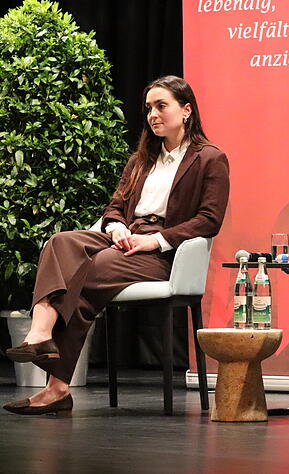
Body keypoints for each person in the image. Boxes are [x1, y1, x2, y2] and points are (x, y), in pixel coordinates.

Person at [3, 76, 230, 415]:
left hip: (163, 252)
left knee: (87, 275)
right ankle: (40, 334)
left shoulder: (210, 158)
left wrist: (154, 240)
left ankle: (56, 388)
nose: (152, 115)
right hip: (125, 237)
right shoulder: (141, 159)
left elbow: (209, 220)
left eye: (161, 106)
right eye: (148, 108)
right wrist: (117, 225)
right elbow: (115, 205)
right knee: (60, 243)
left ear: (186, 110)